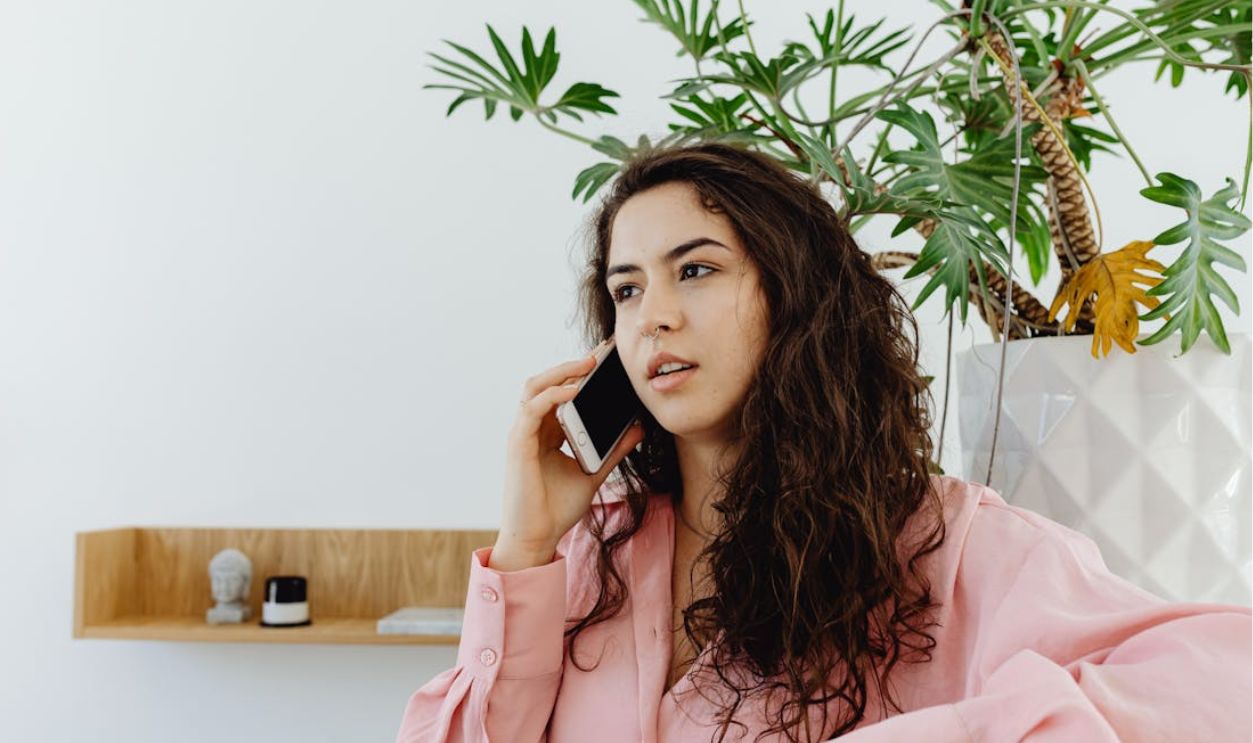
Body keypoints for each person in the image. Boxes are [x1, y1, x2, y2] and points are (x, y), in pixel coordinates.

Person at [394, 142, 1252, 742]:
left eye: (695, 270)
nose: (650, 314)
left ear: (794, 297)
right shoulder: (587, 557)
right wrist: (527, 545)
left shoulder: (944, 543)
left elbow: (1224, 681)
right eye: (625, 289)